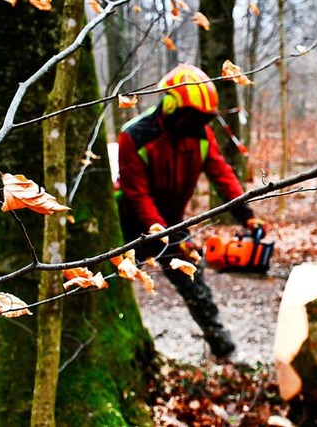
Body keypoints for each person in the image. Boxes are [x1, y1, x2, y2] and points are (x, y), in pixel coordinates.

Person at [117, 63, 265, 360]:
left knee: (195, 284)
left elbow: (221, 173)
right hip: (128, 222)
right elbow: (137, 194)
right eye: (191, 117)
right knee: (114, 287)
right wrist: (168, 238)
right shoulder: (134, 136)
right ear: (171, 106)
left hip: (171, 220)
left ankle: (224, 349)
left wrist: (246, 214)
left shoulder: (200, 134)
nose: (195, 124)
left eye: (201, 119)